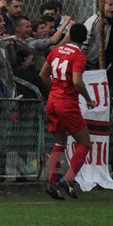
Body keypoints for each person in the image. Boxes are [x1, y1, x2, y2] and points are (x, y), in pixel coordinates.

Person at [39, 22, 94, 199]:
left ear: (69, 35)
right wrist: (88, 98)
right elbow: (77, 81)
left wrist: (54, 89)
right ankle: (68, 179)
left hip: (52, 101)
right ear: (85, 39)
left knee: (60, 142)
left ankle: (51, 183)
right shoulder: (78, 56)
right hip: (67, 103)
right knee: (84, 142)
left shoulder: (56, 51)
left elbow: (42, 74)